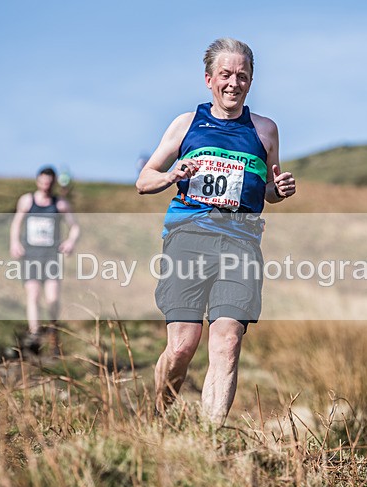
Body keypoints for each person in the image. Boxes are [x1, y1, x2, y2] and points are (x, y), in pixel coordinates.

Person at [136, 38, 296, 425]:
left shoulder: (265, 130)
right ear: (209, 79)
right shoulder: (186, 124)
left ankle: (209, 441)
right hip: (188, 238)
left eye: (242, 76)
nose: (233, 83)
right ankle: (156, 417)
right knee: (182, 346)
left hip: (241, 244)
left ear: (251, 81)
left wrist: (279, 191)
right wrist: (172, 174)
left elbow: (267, 189)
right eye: (225, 74)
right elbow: (144, 180)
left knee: (226, 342)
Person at [9, 166, 80, 352]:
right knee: (33, 295)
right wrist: (14, 242)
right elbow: (16, 223)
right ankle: (34, 335)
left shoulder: (60, 204)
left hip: (51, 258)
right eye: (43, 183)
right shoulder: (26, 201)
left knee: (52, 299)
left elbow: (74, 227)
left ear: (54, 183)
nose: (46, 187)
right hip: (30, 256)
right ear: (37, 181)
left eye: (49, 183)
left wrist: (70, 242)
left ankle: (54, 332)